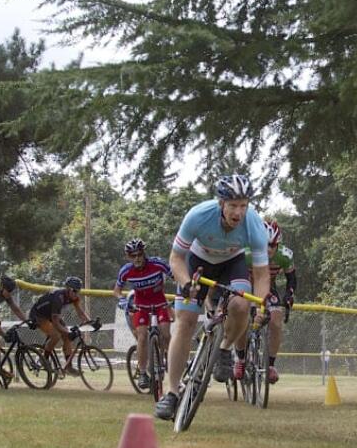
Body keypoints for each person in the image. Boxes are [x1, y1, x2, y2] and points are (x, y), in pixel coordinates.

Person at [154, 174, 271, 421]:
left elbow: (261, 275)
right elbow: (175, 259)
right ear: (221, 204)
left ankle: (225, 350)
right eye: (233, 206)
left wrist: (262, 304)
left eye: (244, 205)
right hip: (197, 263)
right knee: (185, 322)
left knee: (241, 305)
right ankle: (171, 393)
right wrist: (185, 284)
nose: (238, 212)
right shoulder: (198, 215)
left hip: (232, 264)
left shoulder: (254, 226)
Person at [113, 238, 173, 391]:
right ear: (128, 257)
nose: (137, 258)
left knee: (166, 333)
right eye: (133, 256)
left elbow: (176, 276)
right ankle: (142, 372)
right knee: (142, 335)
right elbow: (117, 290)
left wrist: (183, 291)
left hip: (160, 303)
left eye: (139, 254)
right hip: (140, 306)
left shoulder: (157, 264)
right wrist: (122, 300)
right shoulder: (126, 271)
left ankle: (170, 360)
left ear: (144, 253)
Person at [249, 219, 293, 384]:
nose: (268, 249)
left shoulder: (285, 255)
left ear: (278, 245)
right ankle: (240, 355)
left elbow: (291, 279)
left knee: (276, 320)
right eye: (264, 244)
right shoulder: (247, 252)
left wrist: (289, 294)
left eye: (273, 246)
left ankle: (271, 364)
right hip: (248, 284)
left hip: (268, 285)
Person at [28, 277, 94, 371]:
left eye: (78, 291)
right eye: (74, 291)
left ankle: (68, 367)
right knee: (56, 335)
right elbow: (55, 322)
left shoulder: (73, 297)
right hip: (38, 315)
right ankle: (43, 360)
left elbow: (80, 312)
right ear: (67, 289)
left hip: (51, 315)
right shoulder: (58, 298)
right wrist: (67, 333)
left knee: (67, 337)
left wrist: (90, 322)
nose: (76, 293)